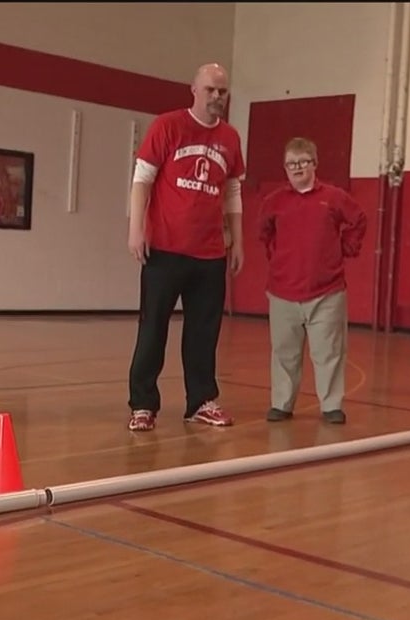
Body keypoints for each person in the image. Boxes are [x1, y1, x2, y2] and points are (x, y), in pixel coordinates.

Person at [126, 63, 245, 432]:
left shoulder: (231, 138)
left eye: (222, 91)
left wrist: (237, 240)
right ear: (193, 90)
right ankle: (143, 404)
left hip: (209, 254)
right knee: (153, 330)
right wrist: (136, 229)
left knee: (203, 333)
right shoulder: (167, 126)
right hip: (164, 249)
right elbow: (142, 180)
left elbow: (233, 191)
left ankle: (201, 401)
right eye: (210, 90)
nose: (217, 97)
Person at [259, 137, 367, 425]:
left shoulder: (333, 197)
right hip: (282, 293)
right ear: (285, 167)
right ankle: (281, 403)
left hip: (327, 292)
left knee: (329, 352)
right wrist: (279, 260)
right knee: (284, 352)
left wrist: (346, 248)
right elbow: (265, 233)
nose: (297, 168)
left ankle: (331, 405)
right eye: (291, 164)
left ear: (314, 164)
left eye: (303, 162)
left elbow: (358, 220)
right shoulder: (274, 202)